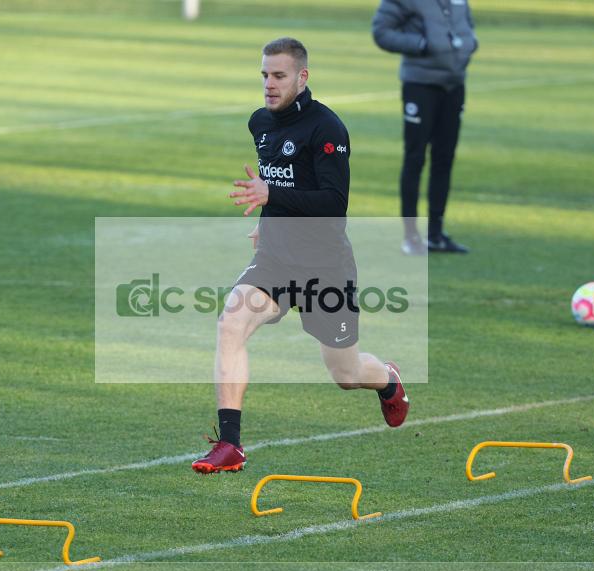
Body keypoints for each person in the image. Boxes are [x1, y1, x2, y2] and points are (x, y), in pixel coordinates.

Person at [191, 37, 410, 474]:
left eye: (279, 76)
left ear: (302, 77)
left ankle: (387, 379)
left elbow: (332, 202)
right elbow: (288, 188)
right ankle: (230, 445)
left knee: (346, 375)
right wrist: (269, 217)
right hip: (276, 260)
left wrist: (272, 194)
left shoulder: (327, 129)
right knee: (231, 322)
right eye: (264, 76)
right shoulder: (260, 124)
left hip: (325, 268)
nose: (269, 85)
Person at [372, 0, 477, 255]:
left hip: (454, 85)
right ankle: (411, 236)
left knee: (444, 159)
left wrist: (470, 42)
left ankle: (436, 235)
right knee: (415, 158)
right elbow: (381, 31)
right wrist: (421, 45)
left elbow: (466, 25)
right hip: (420, 85)